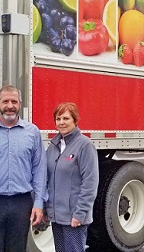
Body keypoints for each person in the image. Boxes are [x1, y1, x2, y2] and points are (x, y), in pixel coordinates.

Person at [0, 85, 47, 252]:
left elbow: (39, 169)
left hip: (22, 203)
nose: (10, 105)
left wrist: (39, 202)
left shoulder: (32, 132)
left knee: (18, 248)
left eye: (14, 101)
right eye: (5, 101)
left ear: (20, 104)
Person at [45, 102, 99, 252]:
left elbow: (90, 183)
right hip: (57, 217)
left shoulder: (85, 145)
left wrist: (80, 214)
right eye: (58, 118)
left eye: (66, 118)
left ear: (75, 120)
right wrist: (46, 210)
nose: (61, 122)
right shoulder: (53, 146)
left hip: (74, 217)